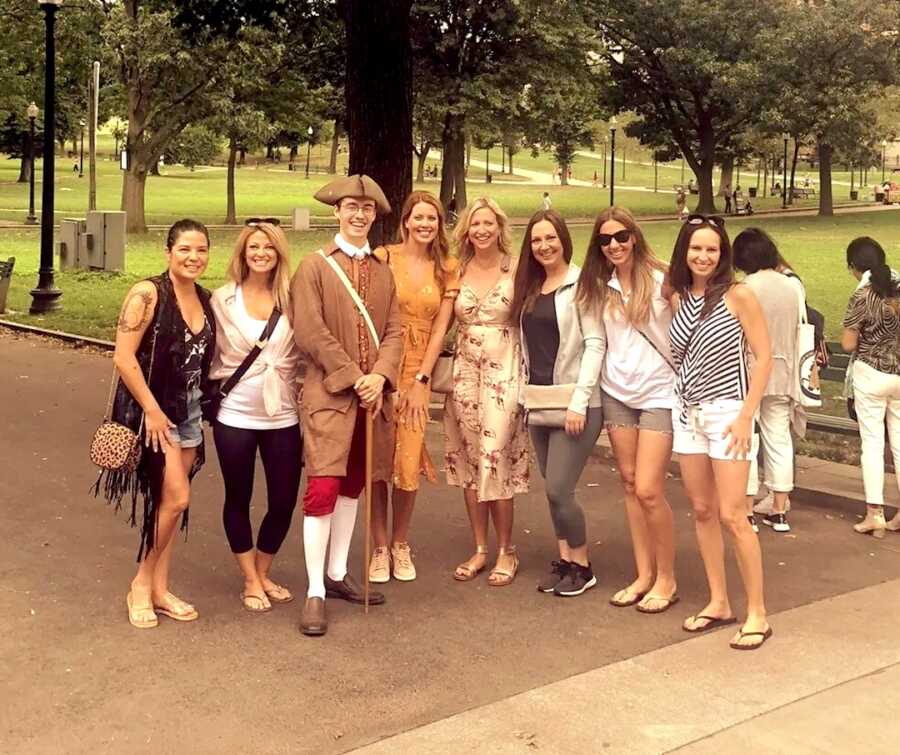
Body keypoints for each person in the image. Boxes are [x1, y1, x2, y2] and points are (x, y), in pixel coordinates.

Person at [291, 174, 403, 636]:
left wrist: (380, 376)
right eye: (351, 207)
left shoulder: (382, 271)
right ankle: (315, 587)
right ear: (337, 212)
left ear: (374, 216)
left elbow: (395, 331)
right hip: (330, 398)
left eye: (367, 209)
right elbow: (310, 331)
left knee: (354, 486)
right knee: (322, 489)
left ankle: (338, 573)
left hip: (371, 401)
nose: (359, 215)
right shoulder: (314, 267)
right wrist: (357, 377)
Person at [101, 219, 216, 629]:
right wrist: (151, 410)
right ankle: (141, 582)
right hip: (156, 414)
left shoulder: (205, 298)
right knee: (178, 498)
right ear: (168, 252)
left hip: (190, 414)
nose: (193, 257)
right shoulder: (147, 294)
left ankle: (161, 589)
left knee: (169, 506)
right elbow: (124, 357)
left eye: (201, 250)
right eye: (185, 249)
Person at [669, 214, 774, 650]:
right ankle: (718, 601)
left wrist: (747, 414)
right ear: (685, 251)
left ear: (723, 253)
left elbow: (764, 357)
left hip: (728, 412)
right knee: (701, 510)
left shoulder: (739, 295)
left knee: (734, 514)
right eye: (696, 248)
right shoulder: (677, 296)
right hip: (687, 413)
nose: (703, 256)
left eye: (712, 249)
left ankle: (758, 613)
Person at [577, 207, 678, 613]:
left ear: (634, 236)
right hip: (617, 390)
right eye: (605, 240)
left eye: (620, 236)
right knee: (631, 482)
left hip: (659, 391)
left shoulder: (662, 279)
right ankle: (644, 574)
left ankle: (667, 578)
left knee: (651, 489)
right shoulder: (601, 285)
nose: (614, 245)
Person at [209, 219, 302, 612]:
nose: (261, 253)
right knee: (238, 496)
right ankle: (249, 579)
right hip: (235, 413)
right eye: (253, 248)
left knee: (283, 500)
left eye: (268, 247)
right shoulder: (222, 300)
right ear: (243, 254)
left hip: (283, 413)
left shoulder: (293, 299)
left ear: (279, 253)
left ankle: (263, 570)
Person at [512, 210, 605, 596]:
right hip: (539, 401)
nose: (544, 246)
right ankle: (565, 559)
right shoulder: (531, 287)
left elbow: (595, 344)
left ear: (563, 239)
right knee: (552, 486)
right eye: (536, 240)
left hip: (574, 403)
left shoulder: (582, 284)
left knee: (559, 490)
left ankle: (583, 566)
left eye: (550, 238)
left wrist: (580, 402)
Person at [368, 191, 459, 583]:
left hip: (418, 367)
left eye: (432, 219)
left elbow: (442, 327)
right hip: (383, 364)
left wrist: (423, 379)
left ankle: (400, 543)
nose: (425, 225)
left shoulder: (447, 268)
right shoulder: (383, 258)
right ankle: (378, 546)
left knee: (407, 462)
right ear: (405, 221)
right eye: (418, 217)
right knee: (377, 460)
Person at [445, 197, 530, 586]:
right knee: (468, 460)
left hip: (504, 370)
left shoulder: (516, 268)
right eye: (474, 224)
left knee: (494, 455)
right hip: (464, 371)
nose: (481, 230)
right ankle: (480, 548)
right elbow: (439, 321)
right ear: (466, 229)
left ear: (499, 227)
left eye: (488, 223)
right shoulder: (456, 269)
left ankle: (506, 550)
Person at [733, 228, 806, 534]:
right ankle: (779, 507)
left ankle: (747, 507)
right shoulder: (791, 286)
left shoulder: (744, 288)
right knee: (779, 436)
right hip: (784, 367)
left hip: (749, 370)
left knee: (747, 438)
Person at [842, 237, 900, 538]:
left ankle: (875, 513)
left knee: (873, 444)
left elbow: (849, 342)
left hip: (870, 373)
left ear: (854, 266)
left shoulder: (862, 295)